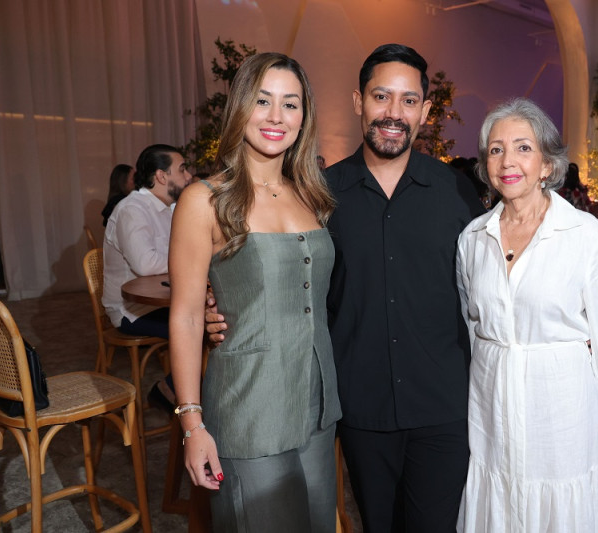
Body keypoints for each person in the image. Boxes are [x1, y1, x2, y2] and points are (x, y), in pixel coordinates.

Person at [206, 43, 484, 531]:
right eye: (381, 96)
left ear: (425, 109)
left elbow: (489, 288)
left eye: (408, 100)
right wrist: (225, 305)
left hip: (442, 404)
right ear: (359, 101)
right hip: (358, 406)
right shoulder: (318, 194)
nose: (393, 113)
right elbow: (284, 277)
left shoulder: (459, 194)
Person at [169, 53, 341, 531]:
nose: (276, 117)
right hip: (249, 408)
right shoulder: (204, 199)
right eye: (262, 101)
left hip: (317, 407)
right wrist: (192, 424)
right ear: (241, 106)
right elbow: (184, 316)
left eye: (291, 104)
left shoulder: (312, 195)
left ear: (304, 116)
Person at [456, 98, 598, 531]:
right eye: (496, 149)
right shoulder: (473, 238)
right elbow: (470, 317)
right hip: (490, 392)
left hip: (561, 398)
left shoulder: (584, 235)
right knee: (498, 491)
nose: (507, 161)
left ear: (547, 165)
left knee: (558, 498)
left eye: (523, 148)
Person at [102, 144, 191, 340]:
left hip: (164, 299)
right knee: (197, 330)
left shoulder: (171, 208)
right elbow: (145, 264)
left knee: (215, 320)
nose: (188, 176)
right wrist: (191, 258)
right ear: (161, 176)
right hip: (133, 310)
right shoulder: (132, 210)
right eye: (182, 169)